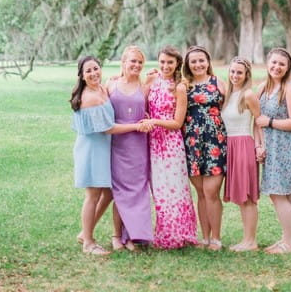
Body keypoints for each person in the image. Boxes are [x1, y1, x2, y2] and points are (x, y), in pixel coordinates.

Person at [70, 55, 144, 256]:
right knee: (92, 196)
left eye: (96, 68)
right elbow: (108, 128)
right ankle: (88, 242)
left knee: (109, 193)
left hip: (103, 150)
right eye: (88, 71)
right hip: (92, 151)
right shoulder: (90, 97)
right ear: (82, 76)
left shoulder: (102, 88)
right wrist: (136, 126)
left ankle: (85, 232)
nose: (93, 73)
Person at [141, 46, 198, 249]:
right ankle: (163, 233)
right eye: (162, 61)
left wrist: (154, 121)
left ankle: (180, 235)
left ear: (177, 65)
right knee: (159, 189)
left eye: (170, 62)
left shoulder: (180, 87)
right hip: (153, 143)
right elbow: (141, 104)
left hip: (171, 144)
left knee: (174, 188)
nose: (165, 66)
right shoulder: (153, 82)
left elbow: (177, 122)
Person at [255, 47, 291, 254]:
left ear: (287, 69)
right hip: (270, 146)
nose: (277, 67)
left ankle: (290, 243)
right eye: (274, 63)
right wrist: (258, 145)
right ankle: (287, 239)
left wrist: (270, 121)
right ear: (268, 63)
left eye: (281, 64)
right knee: (283, 194)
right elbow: (256, 120)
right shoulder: (262, 88)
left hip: (286, 147)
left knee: (278, 193)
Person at [106, 45, 154, 250]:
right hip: (117, 145)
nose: (136, 65)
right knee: (120, 191)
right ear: (123, 63)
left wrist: (149, 120)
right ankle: (117, 236)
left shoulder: (145, 87)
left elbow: (150, 113)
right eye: (132, 61)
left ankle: (134, 236)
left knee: (138, 191)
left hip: (139, 146)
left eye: (140, 62)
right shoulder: (110, 85)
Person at [182, 45, 227, 250]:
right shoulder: (184, 85)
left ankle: (216, 238)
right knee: (200, 192)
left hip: (215, 142)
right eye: (193, 61)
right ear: (188, 65)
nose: (198, 64)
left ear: (208, 61)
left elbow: (229, 108)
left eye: (201, 60)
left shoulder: (219, 82)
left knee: (211, 191)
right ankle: (205, 237)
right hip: (192, 143)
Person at [221, 57, 262, 251]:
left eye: (239, 72)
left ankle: (251, 241)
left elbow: (259, 122)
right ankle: (246, 239)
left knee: (248, 196)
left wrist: (259, 146)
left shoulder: (248, 95)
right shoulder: (229, 95)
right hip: (230, 146)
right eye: (232, 72)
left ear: (246, 75)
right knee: (241, 196)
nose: (235, 75)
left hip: (244, 145)